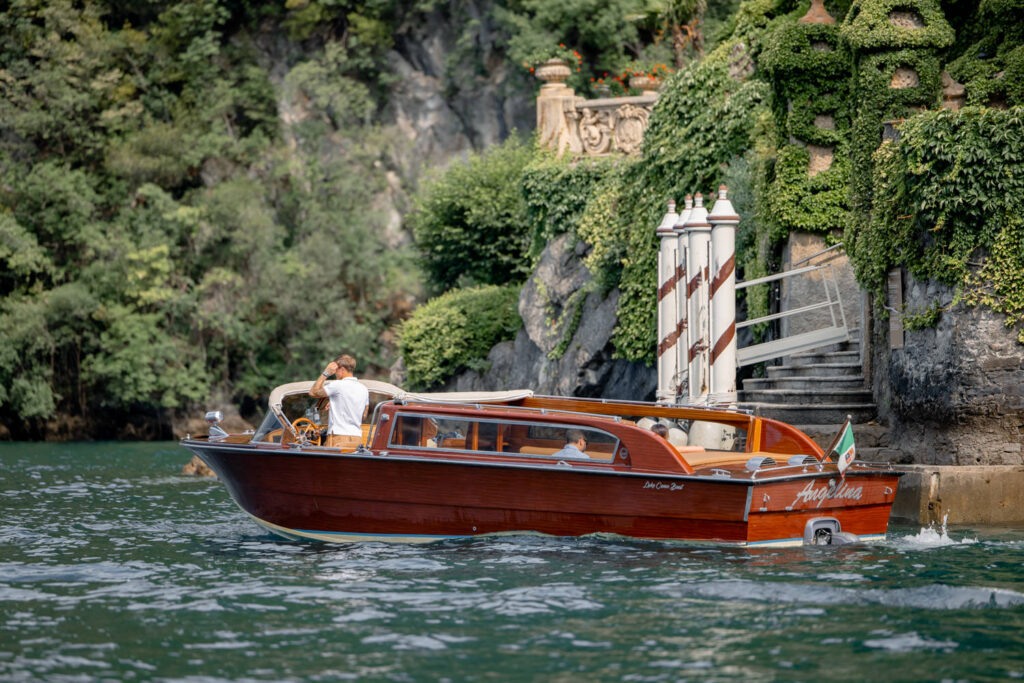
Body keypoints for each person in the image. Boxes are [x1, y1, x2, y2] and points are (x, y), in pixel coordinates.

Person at [310, 354, 369, 449]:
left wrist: (325, 373)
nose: (335, 374)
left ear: (342, 370)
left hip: (338, 437)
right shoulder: (364, 389)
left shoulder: (337, 385)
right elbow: (363, 416)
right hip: (357, 439)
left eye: (335, 371)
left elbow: (313, 392)